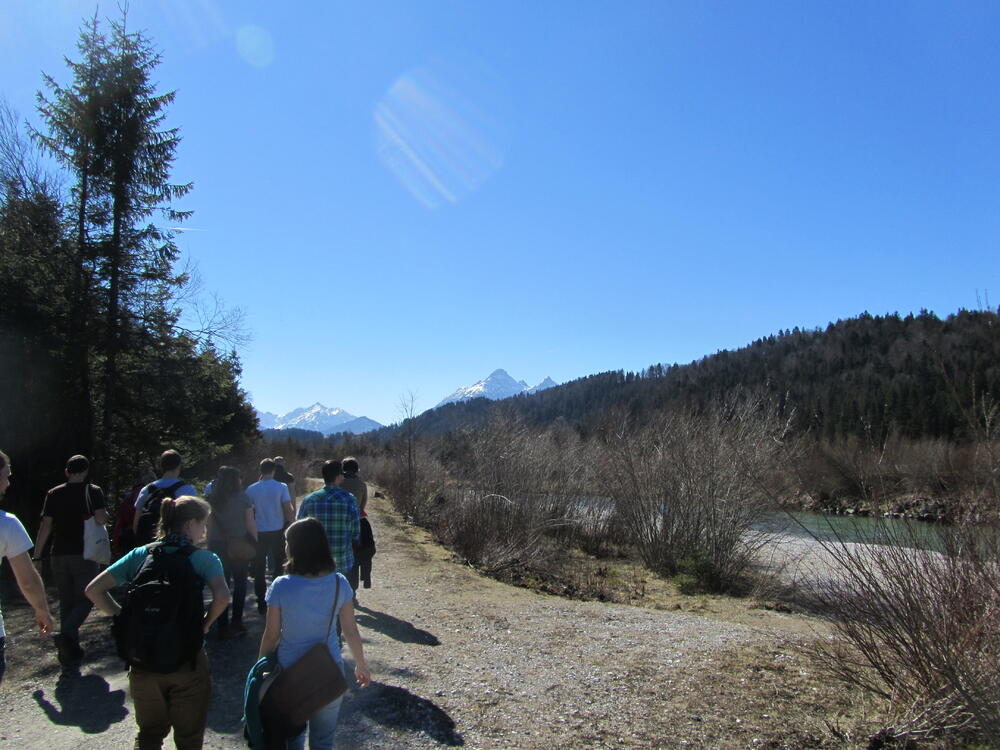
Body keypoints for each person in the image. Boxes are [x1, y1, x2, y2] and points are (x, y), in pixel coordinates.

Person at [86, 496, 230, 750]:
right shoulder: (205, 560)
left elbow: (93, 590)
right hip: (187, 658)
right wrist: (205, 624)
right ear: (190, 524)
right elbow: (223, 596)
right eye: (203, 524)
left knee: (150, 735)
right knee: (188, 737)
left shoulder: (141, 554)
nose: (205, 530)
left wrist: (123, 618)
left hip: (143, 660)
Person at [258, 518, 370, 750]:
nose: (285, 546)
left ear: (296, 548)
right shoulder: (339, 584)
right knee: (323, 741)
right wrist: (361, 665)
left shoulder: (281, 586)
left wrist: (260, 667)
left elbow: (271, 635)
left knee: (293, 738)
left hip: (290, 674)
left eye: (287, 542)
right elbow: (350, 631)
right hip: (328, 672)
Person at [33, 454, 107, 666]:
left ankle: (69, 652)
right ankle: (66, 633)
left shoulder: (54, 493)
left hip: (59, 554)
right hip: (85, 552)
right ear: (85, 471)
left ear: (67, 471)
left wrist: (38, 555)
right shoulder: (93, 491)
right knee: (87, 597)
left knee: (67, 601)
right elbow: (101, 518)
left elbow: (45, 526)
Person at [0, 450, 54, 685]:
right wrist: (42, 609)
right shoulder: (7, 524)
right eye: (6, 475)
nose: (9, 483)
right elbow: (28, 580)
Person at [296, 460, 360, 600]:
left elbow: (299, 529)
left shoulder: (309, 500)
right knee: (338, 598)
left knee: (317, 599)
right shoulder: (349, 499)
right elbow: (355, 530)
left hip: (315, 559)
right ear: (338, 476)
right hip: (341, 559)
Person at [206, 466, 257, 638]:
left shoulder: (212, 499)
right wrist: (255, 543)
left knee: (221, 586)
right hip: (239, 545)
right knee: (240, 584)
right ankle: (236, 621)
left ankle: (221, 625)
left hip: (217, 545)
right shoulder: (244, 498)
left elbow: (210, 525)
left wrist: (208, 545)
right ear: (236, 480)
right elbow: (250, 524)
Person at [246, 458, 294, 614]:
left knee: (259, 568)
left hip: (258, 531)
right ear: (274, 470)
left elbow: (248, 513)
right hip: (277, 530)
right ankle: (276, 598)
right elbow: (288, 508)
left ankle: (261, 601)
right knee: (278, 565)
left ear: (260, 470)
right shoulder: (281, 487)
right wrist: (291, 523)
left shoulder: (251, 489)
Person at [132, 450, 197, 545]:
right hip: (176, 547)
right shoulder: (187, 490)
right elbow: (192, 524)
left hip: (149, 546)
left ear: (161, 466)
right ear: (179, 466)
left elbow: (136, 525)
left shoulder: (147, 489)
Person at [339, 458, 374, 598]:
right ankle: (355, 586)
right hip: (357, 523)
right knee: (359, 554)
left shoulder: (338, 482)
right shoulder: (361, 484)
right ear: (356, 469)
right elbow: (362, 506)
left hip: (341, 523)